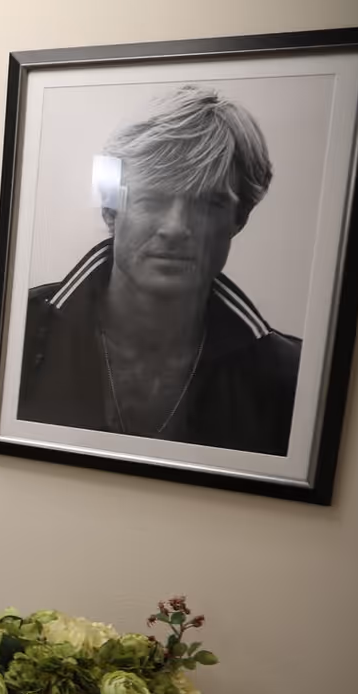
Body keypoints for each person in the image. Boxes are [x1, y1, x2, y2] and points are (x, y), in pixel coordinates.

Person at [17, 85, 301, 456]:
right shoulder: (20, 331)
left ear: (239, 218)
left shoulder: (287, 377)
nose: (175, 227)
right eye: (152, 197)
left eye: (205, 204)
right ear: (110, 208)